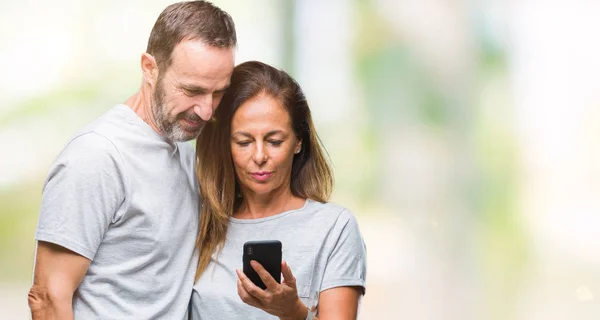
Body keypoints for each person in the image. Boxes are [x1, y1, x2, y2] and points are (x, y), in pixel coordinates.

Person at [27, 1, 236, 319]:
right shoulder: (97, 157)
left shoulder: (185, 151)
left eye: (218, 92)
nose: (206, 110)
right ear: (149, 68)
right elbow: (47, 298)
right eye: (192, 89)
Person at [191, 61, 367, 320]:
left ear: (298, 141)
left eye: (274, 141)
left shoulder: (334, 228)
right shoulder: (202, 224)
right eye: (244, 142)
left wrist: (294, 313)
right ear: (225, 144)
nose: (260, 156)